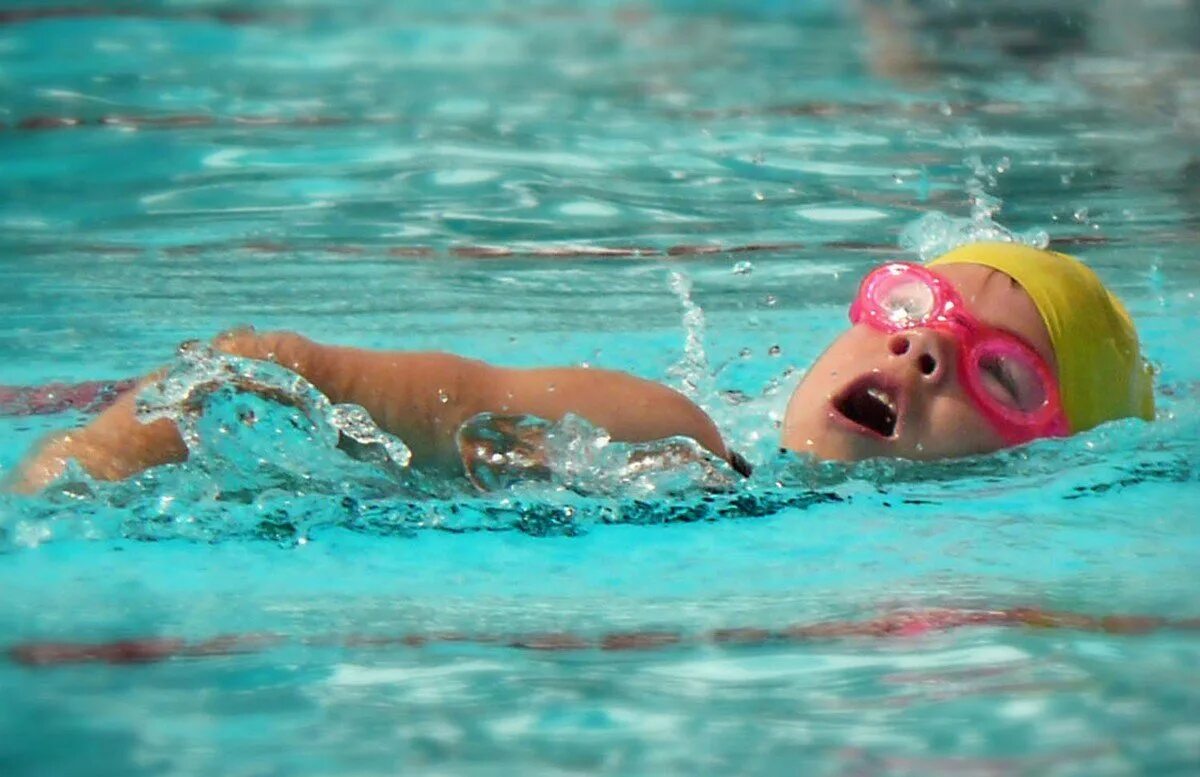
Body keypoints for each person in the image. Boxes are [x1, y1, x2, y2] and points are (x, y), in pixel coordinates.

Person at [6, 242, 1155, 494]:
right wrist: (72, 468)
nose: (922, 347)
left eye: (1004, 377)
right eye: (909, 307)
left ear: (1056, 462)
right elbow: (274, 370)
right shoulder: (666, 434)